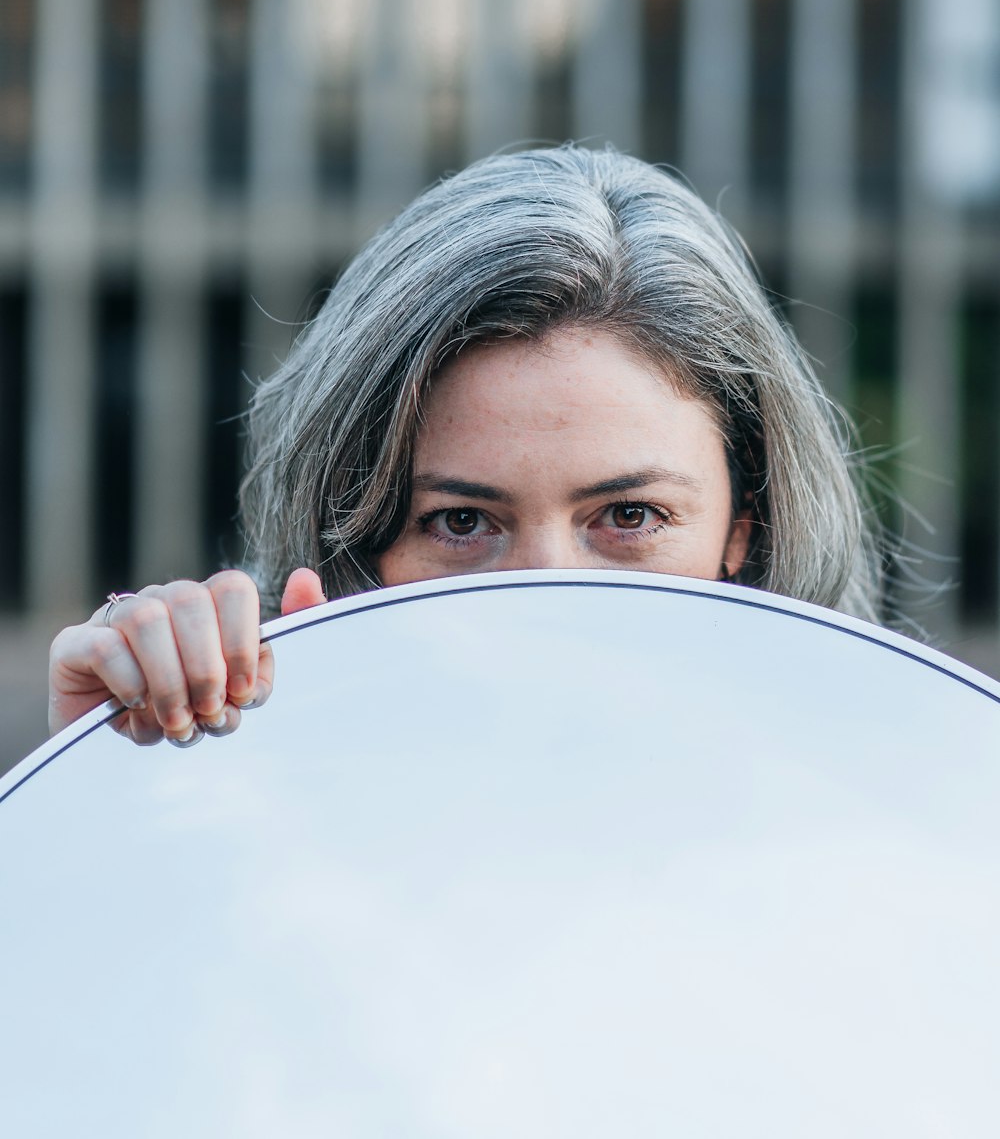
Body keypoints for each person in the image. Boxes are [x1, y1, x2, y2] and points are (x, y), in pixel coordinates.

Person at [48, 145, 883, 747]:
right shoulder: (259, 830)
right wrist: (102, 792)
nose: (548, 594)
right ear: (353, 541)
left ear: (746, 525)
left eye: (630, 515)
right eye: (459, 523)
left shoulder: (907, 836)